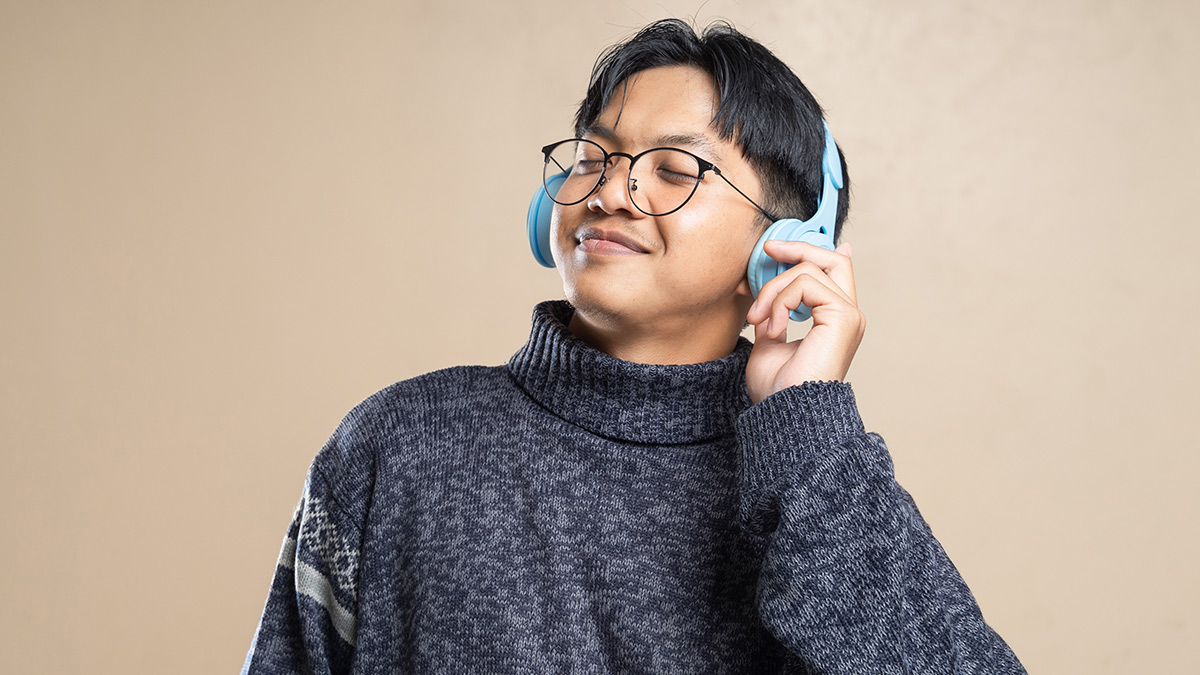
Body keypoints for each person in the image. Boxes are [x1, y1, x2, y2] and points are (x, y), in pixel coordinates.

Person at [242, 19, 1026, 674]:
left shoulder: (815, 481)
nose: (613, 191)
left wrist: (808, 429)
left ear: (783, 247)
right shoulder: (396, 442)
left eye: (675, 170)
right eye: (593, 158)